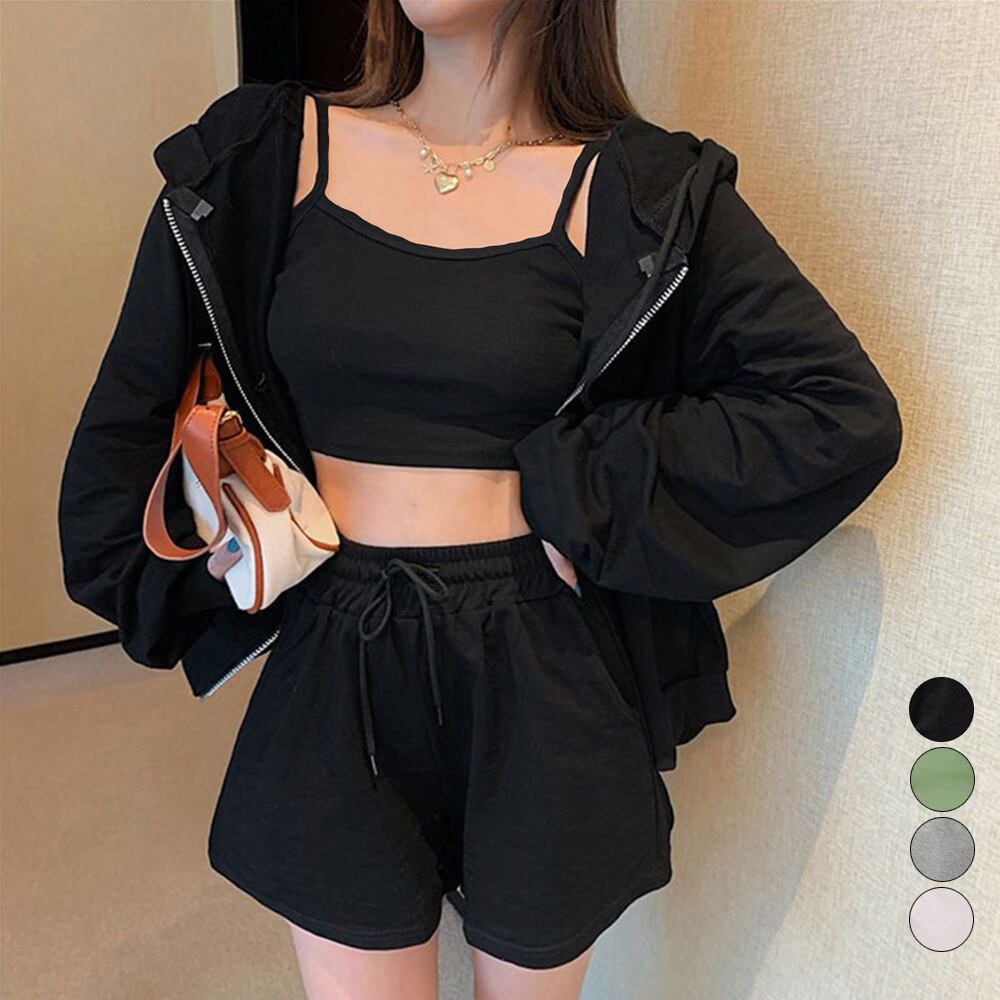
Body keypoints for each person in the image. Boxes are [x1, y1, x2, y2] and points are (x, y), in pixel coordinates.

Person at [57, 1, 903, 997]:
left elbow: (835, 411)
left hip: (543, 662)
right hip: (335, 649)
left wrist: (588, 489)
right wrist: (209, 562)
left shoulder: (643, 190)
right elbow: (132, 414)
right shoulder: (261, 156)